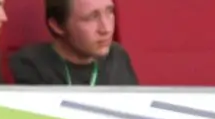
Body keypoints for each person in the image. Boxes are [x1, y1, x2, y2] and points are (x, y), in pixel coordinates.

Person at [10, 0, 138, 85]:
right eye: (92, 17)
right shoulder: (31, 64)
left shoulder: (118, 57)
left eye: (109, 12)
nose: (106, 29)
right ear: (57, 26)